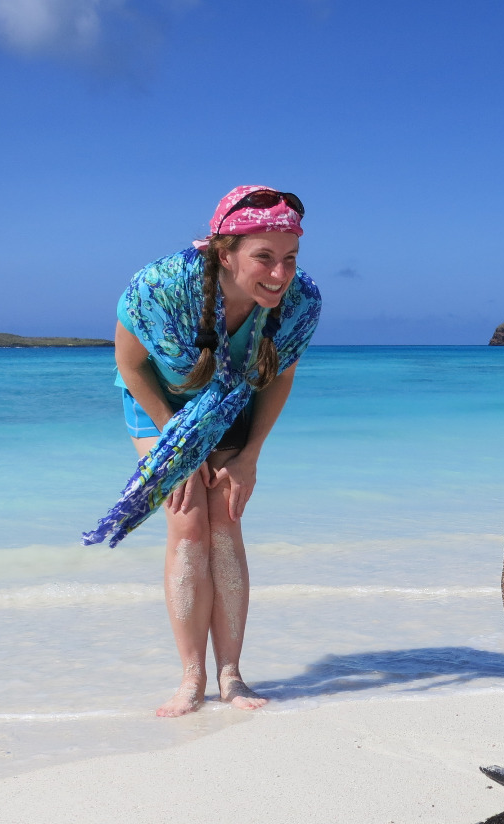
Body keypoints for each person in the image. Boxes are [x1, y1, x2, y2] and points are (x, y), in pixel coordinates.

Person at [86, 186, 321, 716]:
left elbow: (279, 377)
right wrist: (178, 445)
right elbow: (130, 365)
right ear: (225, 251)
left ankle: (232, 676)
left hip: (235, 398)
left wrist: (249, 454)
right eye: (263, 257)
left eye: (289, 259)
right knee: (188, 514)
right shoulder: (161, 287)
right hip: (160, 403)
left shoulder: (300, 301)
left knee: (226, 518)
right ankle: (191, 677)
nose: (279, 274)